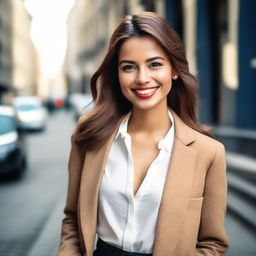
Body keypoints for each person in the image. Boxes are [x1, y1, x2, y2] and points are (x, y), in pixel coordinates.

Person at [58, 12, 229, 256]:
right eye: (129, 67)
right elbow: (73, 220)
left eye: (155, 64)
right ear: (117, 74)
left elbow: (213, 244)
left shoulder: (208, 152)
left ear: (175, 70)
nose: (142, 78)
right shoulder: (89, 135)